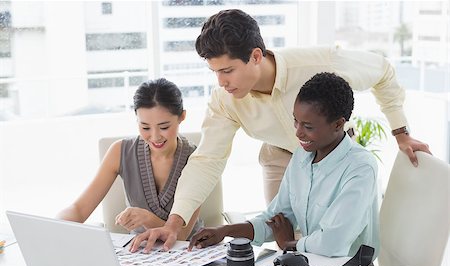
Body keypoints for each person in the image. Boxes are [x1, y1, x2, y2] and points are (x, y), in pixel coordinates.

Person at [130, 8, 431, 252]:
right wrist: (175, 223)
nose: (221, 82)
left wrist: (401, 132)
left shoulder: (320, 63)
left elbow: (383, 71)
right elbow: (207, 161)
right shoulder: (225, 99)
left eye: (227, 70)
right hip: (284, 158)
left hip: (335, 153)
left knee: (337, 243)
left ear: (256, 56)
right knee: (284, 240)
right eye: (214, 72)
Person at [187, 72, 383, 266]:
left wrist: (289, 244)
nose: (298, 132)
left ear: (339, 124)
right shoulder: (302, 157)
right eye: (295, 121)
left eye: (308, 126)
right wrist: (225, 231)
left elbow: (333, 242)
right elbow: (276, 218)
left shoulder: (360, 167)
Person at [57, 78, 201, 240]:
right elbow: (79, 209)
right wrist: (53, 228)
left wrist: (148, 219)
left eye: (164, 127)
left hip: (186, 253)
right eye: (145, 127)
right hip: (139, 253)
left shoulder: (198, 160)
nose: (155, 137)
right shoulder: (120, 152)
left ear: (182, 116)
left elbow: (180, 236)